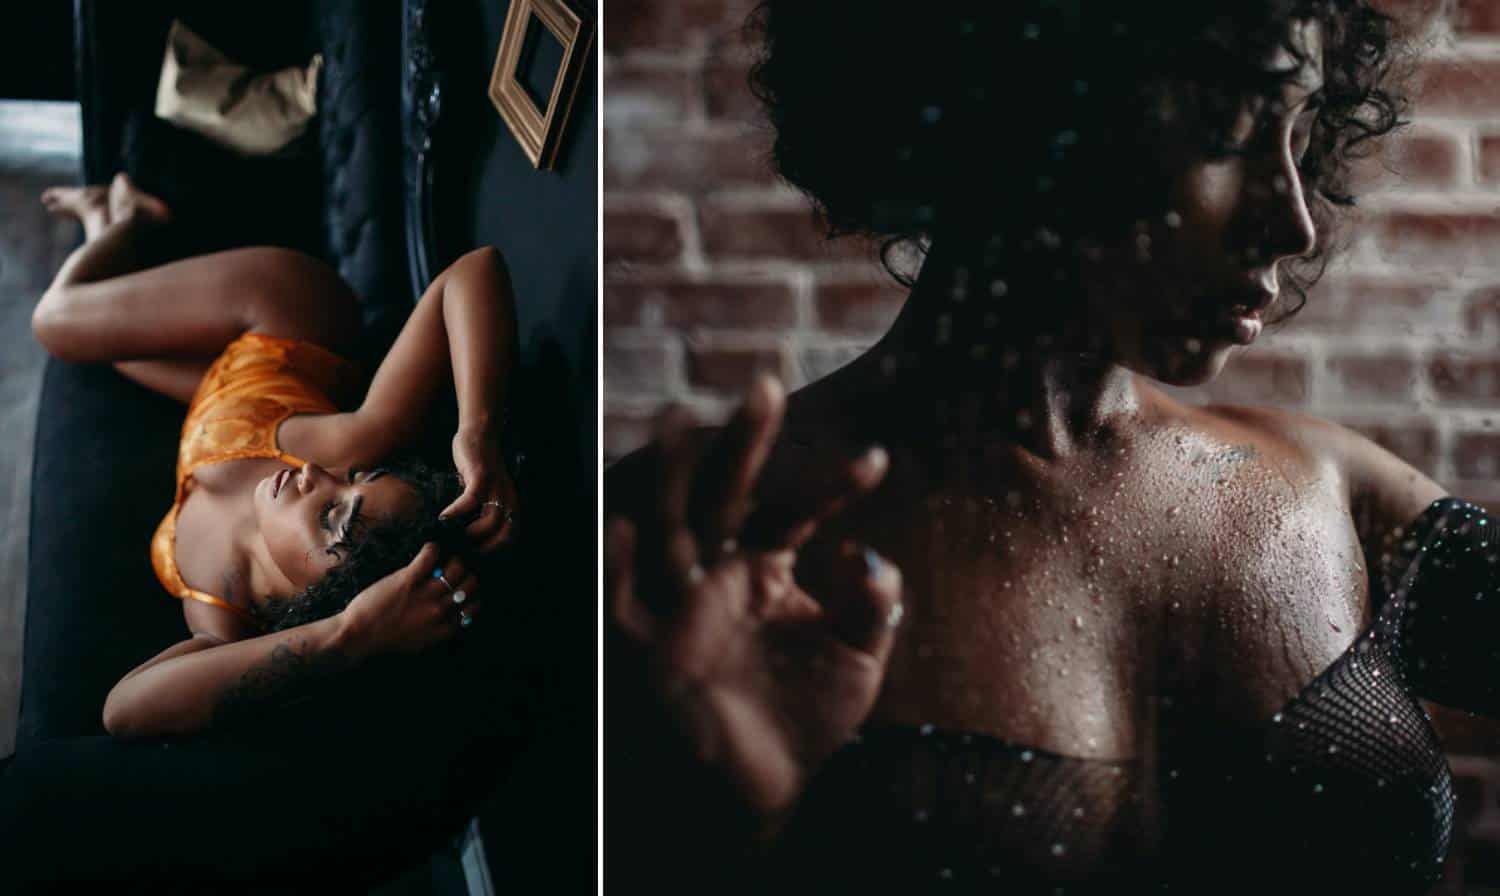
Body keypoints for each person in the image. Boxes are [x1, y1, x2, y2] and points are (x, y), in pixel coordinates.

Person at [605, 2, 1488, 891]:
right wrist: (715, 827)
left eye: (1298, 133)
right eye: (1228, 132)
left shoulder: (1342, 490)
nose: (1293, 221)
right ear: (1031, 117)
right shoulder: (679, 553)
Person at [31, 172, 521, 739]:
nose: (316, 475)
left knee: (108, 352)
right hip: (280, 317)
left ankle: (117, 218)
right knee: (56, 324)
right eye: (356, 477)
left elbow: (124, 711)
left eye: (334, 517)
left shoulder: (228, 617)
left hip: (210, 403)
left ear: (320, 598)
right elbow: (474, 269)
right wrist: (478, 432)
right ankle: (120, 220)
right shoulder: (345, 443)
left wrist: (350, 634)